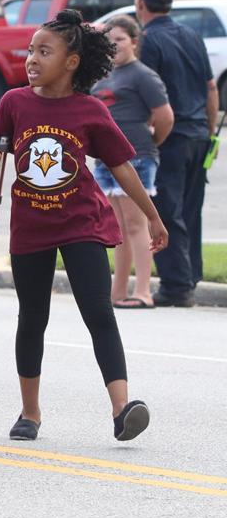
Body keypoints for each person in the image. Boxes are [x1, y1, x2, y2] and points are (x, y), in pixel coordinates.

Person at [0, 9, 168, 442]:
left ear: (71, 62)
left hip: (81, 222)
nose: (31, 59)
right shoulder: (14, 102)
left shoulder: (89, 110)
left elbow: (121, 168)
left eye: (44, 51)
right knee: (33, 317)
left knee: (98, 311)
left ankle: (122, 409)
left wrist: (153, 216)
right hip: (30, 228)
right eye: (30, 50)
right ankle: (30, 412)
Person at [133, 0, 218, 307]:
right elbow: (211, 88)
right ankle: (189, 275)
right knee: (190, 210)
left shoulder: (149, 40)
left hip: (171, 135)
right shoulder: (191, 34)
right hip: (199, 134)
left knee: (167, 210)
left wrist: (151, 137)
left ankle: (176, 286)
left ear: (141, 4)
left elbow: (151, 96)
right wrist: (210, 132)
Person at [91, 16, 174, 309]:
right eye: (109, 41)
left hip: (136, 157)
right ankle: (117, 292)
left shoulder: (143, 75)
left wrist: (151, 145)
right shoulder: (101, 75)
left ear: (135, 42)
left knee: (138, 225)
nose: (114, 46)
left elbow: (164, 117)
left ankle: (143, 291)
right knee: (118, 229)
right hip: (105, 161)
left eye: (120, 40)